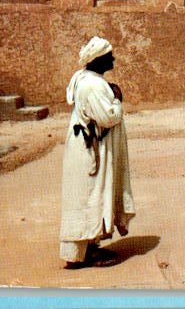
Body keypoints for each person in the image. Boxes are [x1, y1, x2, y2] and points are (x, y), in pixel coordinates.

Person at [59, 36, 135, 268]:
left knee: (90, 196)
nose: (112, 58)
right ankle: (87, 252)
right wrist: (118, 100)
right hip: (89, 152)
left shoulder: (87, 79)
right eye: (109, 55)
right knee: (89, 196)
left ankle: (89, 247)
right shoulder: (92, 85)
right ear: (98, 59)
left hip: (89, 149)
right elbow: (108, 117)